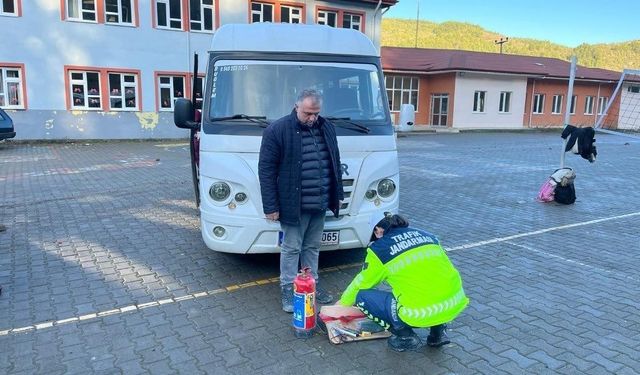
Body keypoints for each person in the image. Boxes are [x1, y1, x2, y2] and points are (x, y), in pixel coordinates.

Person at [259, 89, 344, 312]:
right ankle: (288, 287)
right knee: (291, 247)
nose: (312, 118)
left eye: (316, 113)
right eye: (307, 113)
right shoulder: (277, 130)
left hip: (320, 202)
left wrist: (337, 196)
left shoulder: (327, 128)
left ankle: (310, 283)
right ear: (297, 107)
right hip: (293, 204)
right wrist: (271, 206)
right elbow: (266, 170)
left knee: (313, 246)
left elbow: (333, 162)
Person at [337, 213, 469, 352]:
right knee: (433, 287)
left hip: (420, 312)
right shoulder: (429, 237)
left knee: (362, 296)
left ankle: (405, 336)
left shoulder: (380, 250)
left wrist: (342, 304)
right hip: (453, 302)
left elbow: (362, 283)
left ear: (378, 230)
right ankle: (438, 333)